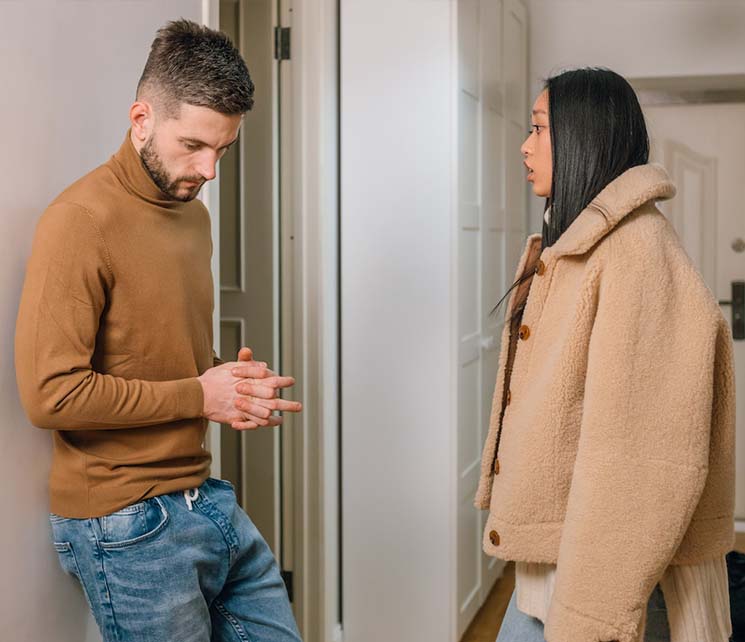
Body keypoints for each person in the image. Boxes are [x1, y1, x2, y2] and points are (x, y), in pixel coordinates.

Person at [15, 19, 303, 642]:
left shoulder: (192, 216)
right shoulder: (79, 221)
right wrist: (201, 395)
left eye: (223, 149)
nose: (210, 169)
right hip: (126, 523)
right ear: (142, 118)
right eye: (195, 145)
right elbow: (51, 395)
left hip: (205, 499)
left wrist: (229, 379)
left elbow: (164, 356)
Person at [474, 68, 735, 642]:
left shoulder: (638, 255)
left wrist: (587, 622)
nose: (524, 144)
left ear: (583, 138)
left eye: (539, 129)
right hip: (560, 571)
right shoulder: (586, 248)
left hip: (615, 589)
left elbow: (641, 467)